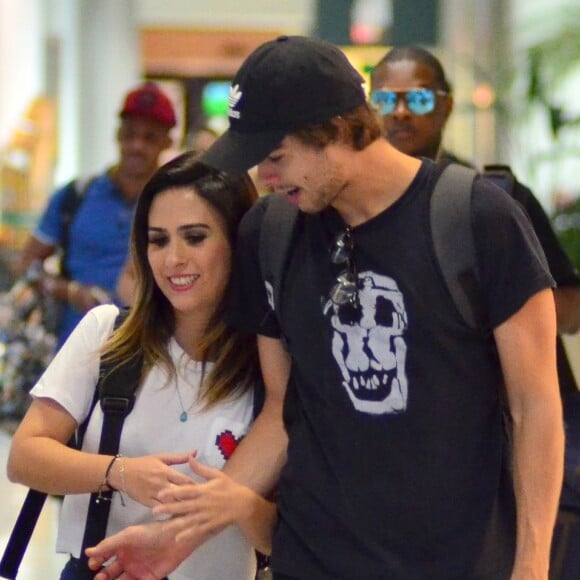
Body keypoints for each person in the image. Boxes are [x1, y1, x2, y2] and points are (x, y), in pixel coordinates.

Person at [86, 35, 564, 579]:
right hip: (310, 559)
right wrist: (177, 536)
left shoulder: (479, 220)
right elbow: (281, 414)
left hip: (459, 559)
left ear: (336, 129)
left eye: (275, 157)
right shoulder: (272, 234)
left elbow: (536, 408)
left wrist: (532, 565)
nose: (263, 179)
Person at [7, 151, 275, 579]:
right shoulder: (108, 333)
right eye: (158, 239)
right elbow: (24, 457)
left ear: (238, 241)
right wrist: (120, 473)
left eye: (195, 237)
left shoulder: (272, 368)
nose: (174, 260)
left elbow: (287, 537)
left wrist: (236, 505)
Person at [369, 45, 580, 395]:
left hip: (499, 402)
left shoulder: (497, 197)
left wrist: (503, 305)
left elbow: (573, 308)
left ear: (446, 105)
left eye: (419, 100)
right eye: (387, 101)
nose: (401, 113)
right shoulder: (353, 207)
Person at [16, 81, 176, 350]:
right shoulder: (75, 195)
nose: (137, 145)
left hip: (149, 352)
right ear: (117, 135)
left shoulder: (175, 202)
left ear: (167, 142)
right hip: (73, 353)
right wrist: (68, 291)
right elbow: (26, 264)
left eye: (149, 137)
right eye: (130, 134)